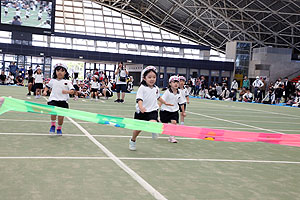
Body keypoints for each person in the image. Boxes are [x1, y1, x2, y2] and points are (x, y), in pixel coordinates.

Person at [129, 66, 172, 151]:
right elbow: (139, 99)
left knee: (153, 122)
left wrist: (165, 102)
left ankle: (153, 129)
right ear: (144, 78)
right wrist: (141, 107)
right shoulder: (142, 88)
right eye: (149, 77)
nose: (152, 79)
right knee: (137, 130)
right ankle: (132, 140)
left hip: (152, 110)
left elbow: (158, 97)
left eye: (154, 77)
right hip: (141, 112)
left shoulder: (156, 88)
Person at [43, 63, 74, 135]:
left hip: (63, 101)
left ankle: (59, 128)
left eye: (62, 71)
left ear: (65, 72)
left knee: (61, 117)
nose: (60, 72)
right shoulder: (52, 81)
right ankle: (53, 125)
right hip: (53, 100)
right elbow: (47, 86)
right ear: (55, 72)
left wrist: (67, 91)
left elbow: (72, 91)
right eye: (58, 70)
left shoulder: (67, 82)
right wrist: (45, 91)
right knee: (53, 112)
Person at [160, 76, 186, 143]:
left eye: (177, 82)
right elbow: (161, 100)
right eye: (174, 82)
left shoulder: (179, 92)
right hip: (165, 111)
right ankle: (159, 120)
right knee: (163, 124)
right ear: (170, 83)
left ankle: (172, 137)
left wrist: (183, 112)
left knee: (174, 123)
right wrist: (157, 108)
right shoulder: (167, 92)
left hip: (174, 111)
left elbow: (181, 103)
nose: (176, 84)